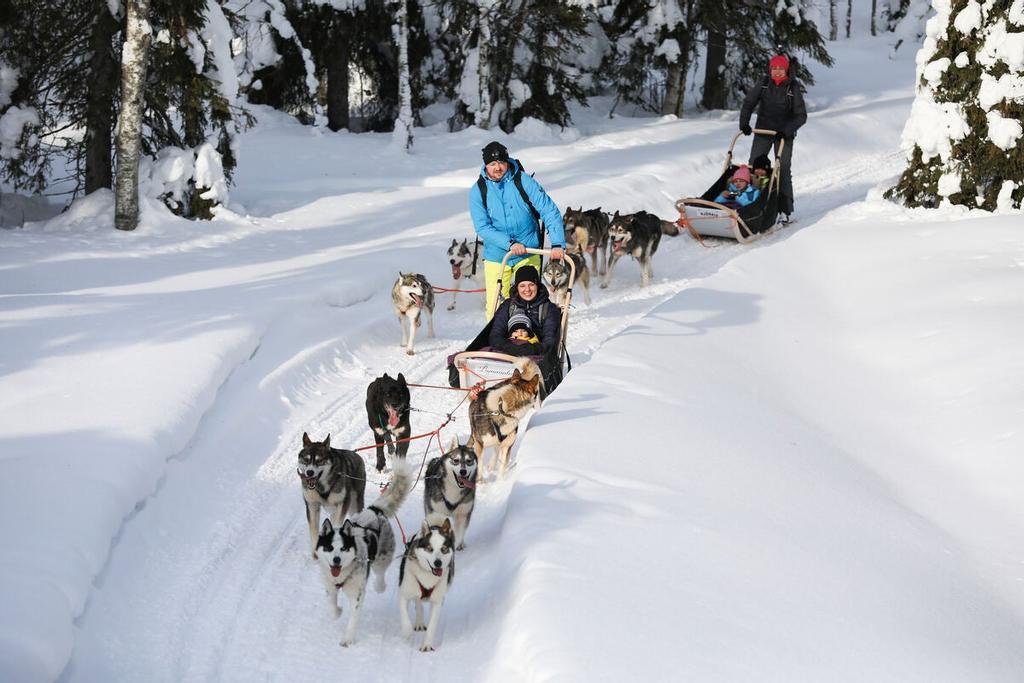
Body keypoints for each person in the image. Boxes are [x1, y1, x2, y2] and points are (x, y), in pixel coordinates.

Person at [469, 141, 565, 320]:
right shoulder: (478, 190)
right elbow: (482, 226)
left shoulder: (523, 181)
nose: (497, 167)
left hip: (528, 251)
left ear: (507, 161)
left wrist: (558, 243)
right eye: (492, 164)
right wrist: (510, 244)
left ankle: (531, 342)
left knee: (530, 300)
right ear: (486, 165)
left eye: (501, 162)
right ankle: (497, 343)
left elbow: (549, 211)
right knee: (495, 307)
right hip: (497, 254)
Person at [739, 54, 807, 224]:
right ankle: (750, 205)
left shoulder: (793, 87)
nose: (777, 72)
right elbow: (748, 103)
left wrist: (786, 131)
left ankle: (784, 211)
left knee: (782, 169)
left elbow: (801, 116)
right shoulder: (764, 83)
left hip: (783, 136)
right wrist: (744, 124)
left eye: (780, 69)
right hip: (763, 131)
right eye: (774, 68)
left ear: (786, 70)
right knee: (754, 166)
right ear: (770, 69)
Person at [489, 265, 561, 357]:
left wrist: (532, 349)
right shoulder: (508, 306)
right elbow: (495, 335)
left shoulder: (549, 308)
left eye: (531, 285)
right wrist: (510, 347)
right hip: (507, 353)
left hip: (536, 356)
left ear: (537, 285)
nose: (527, 290)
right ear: (517, 287)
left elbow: (550, 341)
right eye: (522, 285)